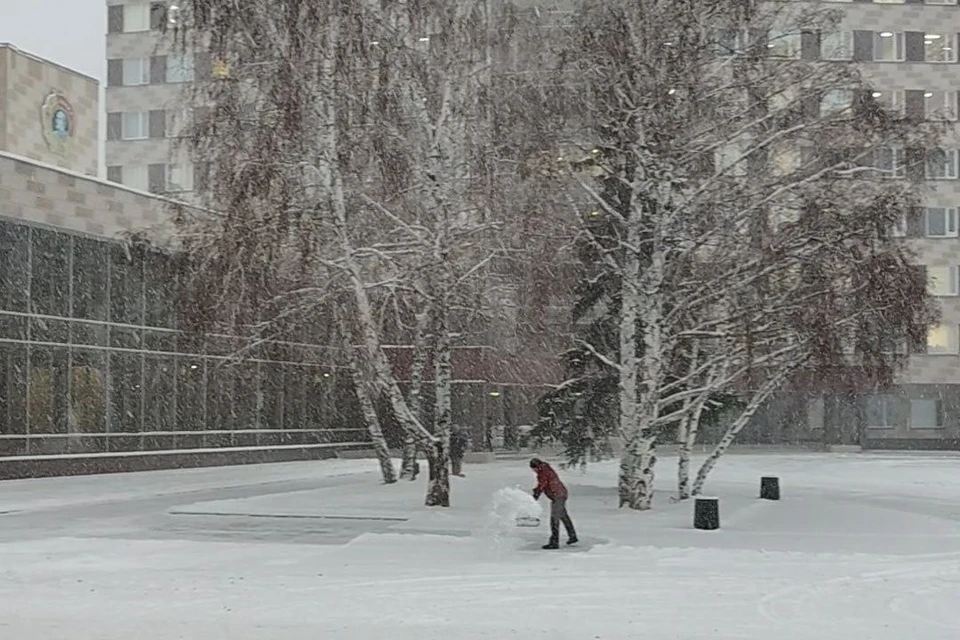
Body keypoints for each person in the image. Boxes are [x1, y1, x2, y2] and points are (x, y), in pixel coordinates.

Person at [530, 457, 578, 549]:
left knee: (554, 519)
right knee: (563, 516)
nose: (534, 471)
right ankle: (572, 536)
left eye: (533, 469)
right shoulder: (546, 468)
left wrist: (536, 494)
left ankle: (554, 542)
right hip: (560, 494)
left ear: (535, 467)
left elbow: (542, 484)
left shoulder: (542, 472)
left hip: (557, 496)